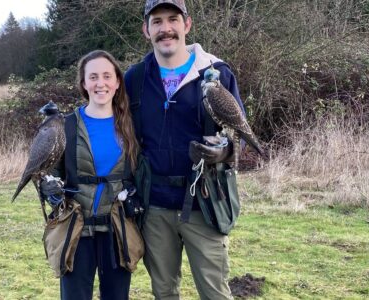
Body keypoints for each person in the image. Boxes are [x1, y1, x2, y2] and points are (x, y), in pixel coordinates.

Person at [124, 0, 246, 299]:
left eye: (173, 19)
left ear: (187, 25)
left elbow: (240, 135)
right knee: (164, 292)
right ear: (146, 29)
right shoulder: (135, 79)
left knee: (215, 293)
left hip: (205, 203)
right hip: (154, 208)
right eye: (157, 22)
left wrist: (226, 152)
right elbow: (123, 136)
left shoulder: (216, 73)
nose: (166, 29)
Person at [41, 50, 140, 300]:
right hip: (76, 229)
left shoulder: (133, 125)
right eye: (93, 76)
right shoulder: (66, 125)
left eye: (107, 76)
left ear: (117, 82)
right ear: (84, 83)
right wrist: (49, 189)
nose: (100, 83)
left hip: (118, 229)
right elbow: (49, 173)